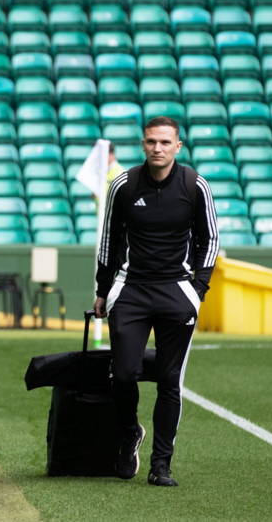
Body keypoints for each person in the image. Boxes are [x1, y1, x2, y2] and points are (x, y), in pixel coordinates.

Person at [93, 116, 219, 487]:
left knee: (169, 380)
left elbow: (209, 239)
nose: (157, 148)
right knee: (125, 372)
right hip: (130, 290)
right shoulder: (124, 185)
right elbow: (109, 241)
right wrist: (103, 290)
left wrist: (198, 289)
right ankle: (130, 431)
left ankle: (160, 464)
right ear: (143, 144)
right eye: (151, 142)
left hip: (177, 290)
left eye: (165, 142)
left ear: (177, 146)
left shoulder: (195, 185)